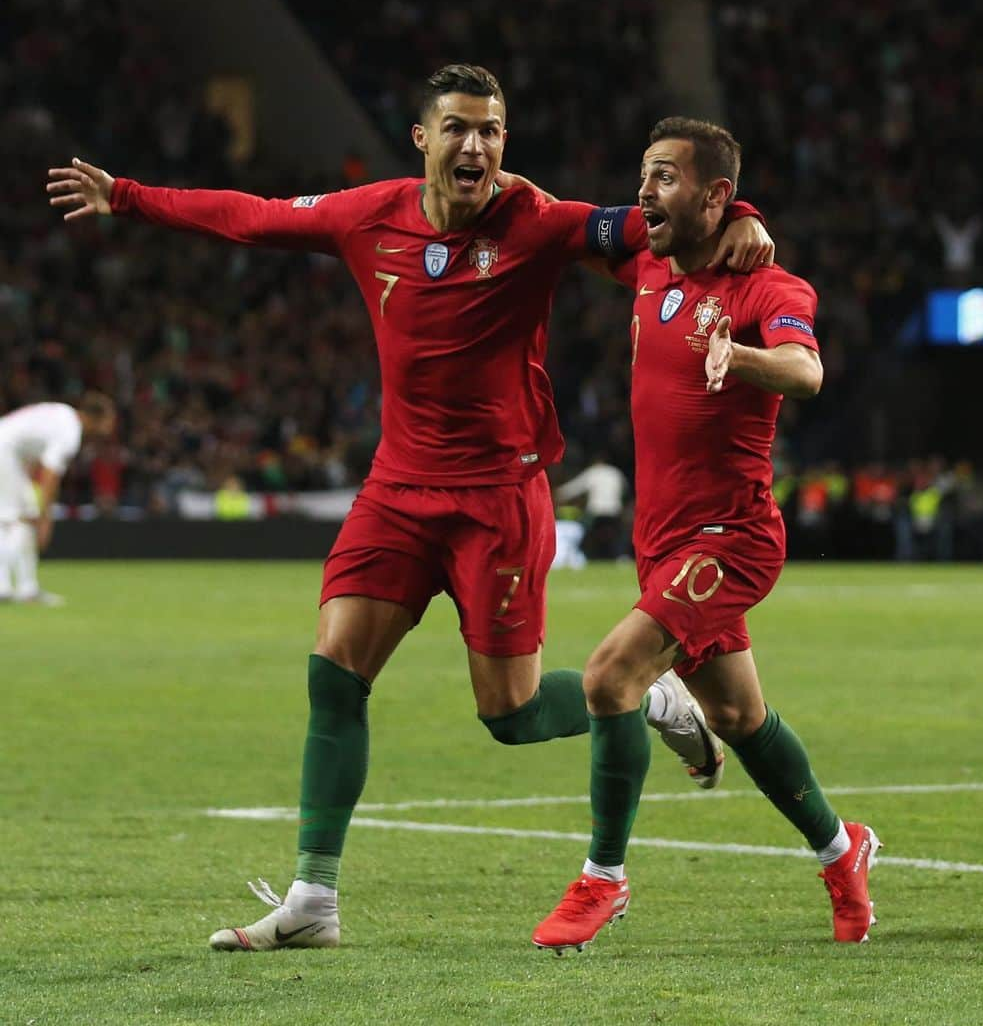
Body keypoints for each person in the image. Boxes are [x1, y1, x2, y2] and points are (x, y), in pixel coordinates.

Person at [47, 66, 775, 951]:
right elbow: (251, 215)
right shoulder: (369, 214)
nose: (479, 146)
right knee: (333, 672)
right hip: (397, 489)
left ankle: (651, 700)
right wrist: (127, 196)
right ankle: (314, 901)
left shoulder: (537, 220)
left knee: (508, 716)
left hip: (498, 498)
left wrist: (739, 220)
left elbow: (657, 223)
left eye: (494, 131)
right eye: (461, 129)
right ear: (423, 139)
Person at [525, 118, 880, 953]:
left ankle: (603, 880)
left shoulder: (767, 290)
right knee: (739, 716)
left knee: (611, 675)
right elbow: (556, 227)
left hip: (732, 539)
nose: (644, 192)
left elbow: (808, 369)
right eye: (642, 175)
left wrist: (746, 360)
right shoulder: (646, 262)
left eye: (664, 178)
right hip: (664, 541)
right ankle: (842, 850)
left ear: (713, 196)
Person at [0, 393, 117, 605]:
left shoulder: (64, 414)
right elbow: (50, 475)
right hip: (5, 452)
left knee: (20, 518)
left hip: (11, 452)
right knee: (15, 520)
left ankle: (26, 589)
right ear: (95, 418)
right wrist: (46, 517)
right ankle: (5, 587)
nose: (109, 427)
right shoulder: (70, 432)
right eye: (108, 420)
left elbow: (29, 445)